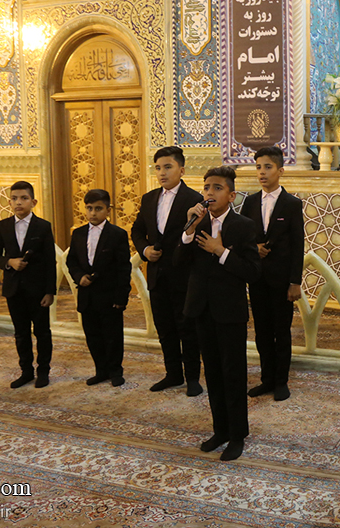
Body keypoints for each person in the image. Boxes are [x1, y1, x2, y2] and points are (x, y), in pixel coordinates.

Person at [180, 166, 261, 461]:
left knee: (233, 373)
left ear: (231, 195)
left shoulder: (243, 226)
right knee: (212, 372)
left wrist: (220, 251)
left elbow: (253, 271)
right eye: (206, 187)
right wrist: (189, 230)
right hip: (202, 309)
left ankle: (237, 435)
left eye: (217, 188)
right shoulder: (196, 223)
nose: (209, 193)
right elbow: (178, 261)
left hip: (230, 311)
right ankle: (220, 430)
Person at [131, 146, 204, 394]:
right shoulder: (149, 198)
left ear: (181, 170)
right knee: (164, 328)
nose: (162, 172)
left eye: (168, 167)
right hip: (157, 275)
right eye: (158, 168)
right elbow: (137, 231)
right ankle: (173, 374)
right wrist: (145, 250)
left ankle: (192, 378)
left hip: (184, 275)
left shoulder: (194, 199)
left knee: (188, 329)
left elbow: (197, 237)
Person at [240, 146, 304, 401]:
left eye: (267, 167)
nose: (262, 172)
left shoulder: (292, 204)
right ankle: (266, 379)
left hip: (281, 280)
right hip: (257, 278)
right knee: (262, 331)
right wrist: (253, 248)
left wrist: (295, 282)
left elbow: (298, 245)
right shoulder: (250, 202)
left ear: (280, 170)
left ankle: (281, 381)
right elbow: (240, 236)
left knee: (281, 331)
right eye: (258, 167)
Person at [0, 181, 56, 388]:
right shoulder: (3, 226)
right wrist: (9, 262)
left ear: (33, 202)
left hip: (38, 290)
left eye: (24, 198)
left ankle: (43, 371)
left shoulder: (43, 226)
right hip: (14, 290)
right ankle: (26, 371)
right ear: (9, 202)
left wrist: (50, 291)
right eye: (15, 198)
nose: (19, 202)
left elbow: (50, 261)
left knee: (42, 332)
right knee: (21, 333)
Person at [66, 189, 132, 387]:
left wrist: (121, 297)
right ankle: (101, 370)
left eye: (98, 208)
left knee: (113, 336)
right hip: (87, 295)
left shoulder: (117, 234)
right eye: (89, 208)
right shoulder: (78, 234)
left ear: (108, 210)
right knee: (93, 335)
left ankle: (115, 371)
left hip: (109, 295)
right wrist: (79, 277)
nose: (93, 213)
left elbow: (123, 268)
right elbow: (71, 261)